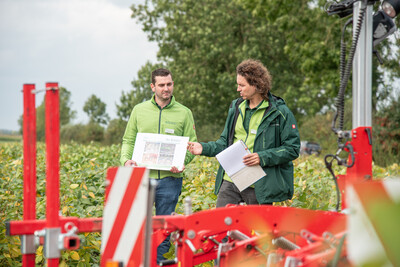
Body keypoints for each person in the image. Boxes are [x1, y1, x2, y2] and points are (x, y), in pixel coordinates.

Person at [188, 59, 300, 207]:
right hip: (230, 180)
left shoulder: (280, 112)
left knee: (255, 229)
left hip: (260, 186)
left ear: (256, 84)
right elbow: (224, 143)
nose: (238, 89)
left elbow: (292, 149)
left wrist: (262, 157)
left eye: (242, 85)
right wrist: (203, 148)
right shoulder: (235, 107)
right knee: (221, 225)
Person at [120, 68, 197, 264]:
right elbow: (128, 140)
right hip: (142, 178)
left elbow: (191, 146)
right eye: (161, 85)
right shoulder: (139, 110)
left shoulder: (185, 113)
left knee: (164, 227)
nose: (166, 88)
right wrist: (126, 161)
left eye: (169, 84)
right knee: (138, 224)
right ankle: (138, 262)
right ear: (153, 86)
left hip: (170, 180)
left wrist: (181, 163)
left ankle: (158, 262)